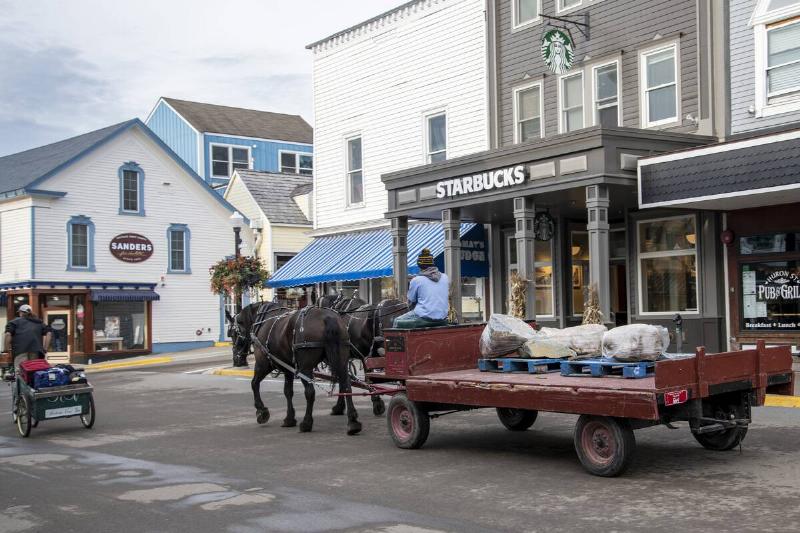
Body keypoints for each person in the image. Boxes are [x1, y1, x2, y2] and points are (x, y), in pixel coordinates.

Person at [393, 248, 450, 328]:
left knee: (396, 321)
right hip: (443, 318)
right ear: (433, 264)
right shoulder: (445, 277)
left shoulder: (417, 280)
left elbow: (411, 302)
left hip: (424, 318)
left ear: (420, 266)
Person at [4, 304, 52, 373]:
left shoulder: (14, 322)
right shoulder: (39, 322)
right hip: (36, 352)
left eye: (19, 312)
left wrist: (6, 349)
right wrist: (45, 348)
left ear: (21, 312)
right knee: (34, 373)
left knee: (20, 373)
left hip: (20, 351)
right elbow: (49, 333)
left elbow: (8, 334)